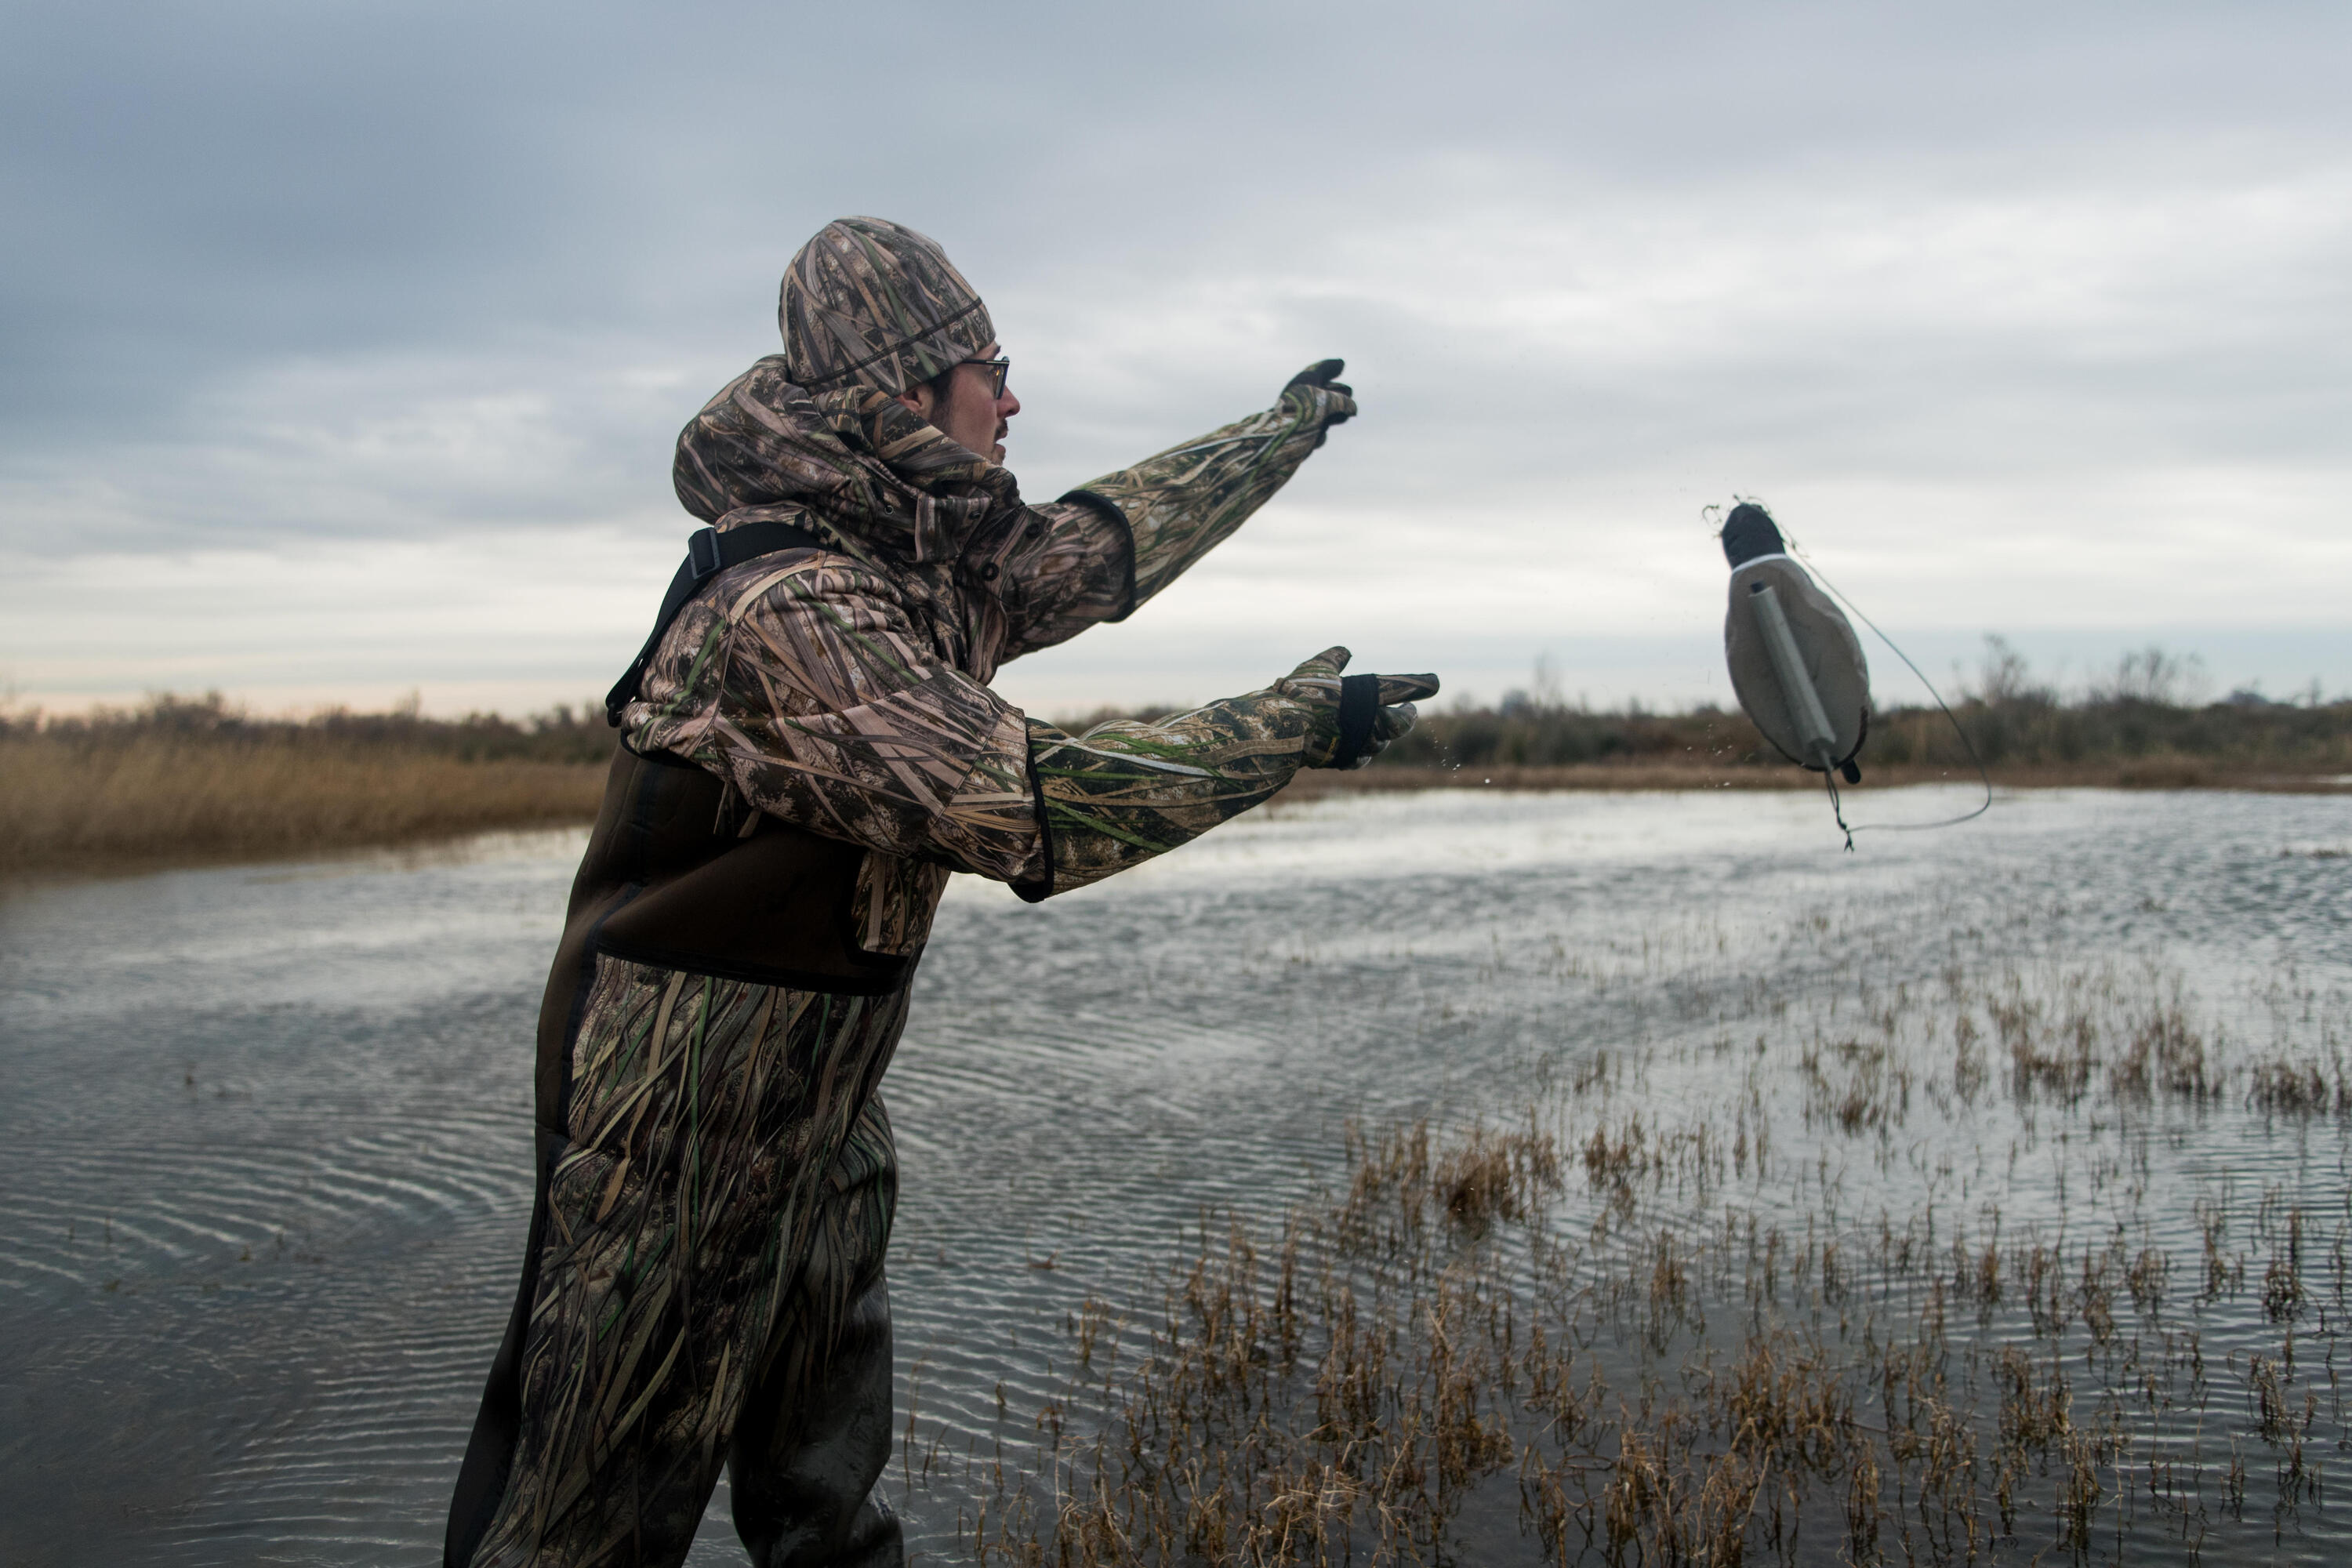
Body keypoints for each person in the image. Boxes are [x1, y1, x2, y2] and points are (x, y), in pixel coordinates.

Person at [444, 216, 1436, 1567]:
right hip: (669, 1142)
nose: (1013, 396)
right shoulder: (797, 610)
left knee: (831, 1515)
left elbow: (1096, 550)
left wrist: (1278, 432)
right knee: (580, 1532)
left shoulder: (916, 566)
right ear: (907, 395)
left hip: (821, 1113)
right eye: (992, 366)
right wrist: (1295, 725)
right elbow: (1026, 801)